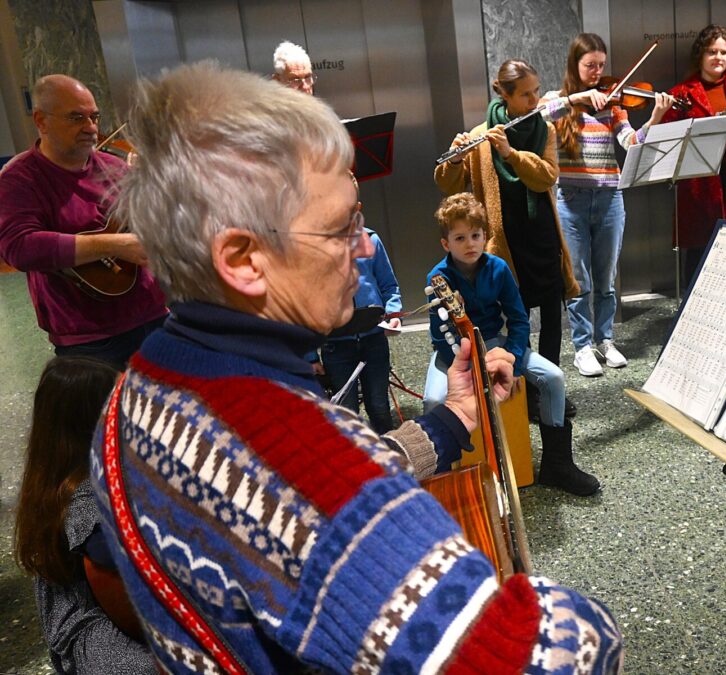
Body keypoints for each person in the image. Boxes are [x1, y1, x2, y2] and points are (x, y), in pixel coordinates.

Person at [90, 62, 622, 673]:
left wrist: (454, 416)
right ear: (243, 259)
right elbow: (541, 660)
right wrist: (595, 624)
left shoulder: (134, 391)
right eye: (344, 227)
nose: (366, 247)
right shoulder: (308, 477)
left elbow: (291, 505)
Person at [424, 193, 600, 497]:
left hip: (496, 343)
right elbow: (440, 336)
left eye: (476, 235)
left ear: (485, 236)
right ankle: (442, 480)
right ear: (445, 243)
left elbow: (518, 319)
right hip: (454, 351)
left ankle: (557, 464)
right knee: (433, 399)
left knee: (554, 378)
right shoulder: (437, 278)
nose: (470, 244)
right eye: (460, 238)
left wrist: (513, 362)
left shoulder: (499, 268)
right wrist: (467, 368)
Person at [435, 59, 580, 420]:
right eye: (526, 94)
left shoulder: (544, 129)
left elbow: (546, 177)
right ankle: (524, 386)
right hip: (507, 242)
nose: (534, 100)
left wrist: (511, 154)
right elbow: (449, 184)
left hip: (542, 237)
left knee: (552, 315)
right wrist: (456, 160)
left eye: (536, 91)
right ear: (506, 95)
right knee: (518, 314)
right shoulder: (482, 134)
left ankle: (548, 387)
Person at [0, 75, 167, 368]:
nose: (91, 127)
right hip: (89, 337)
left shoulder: (116, 167)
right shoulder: (19, 179)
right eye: (76, 118)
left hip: (154, 316)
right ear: (41, 120)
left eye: (94, 117)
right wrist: (114, 244)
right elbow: (20, 247)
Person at [540, 33, 675, 377]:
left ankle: (605, 339)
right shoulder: (558, 101)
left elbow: (631, 142)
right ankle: (582, 346)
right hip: (571, 200)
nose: (597, 72)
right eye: (590, 65)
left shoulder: (613, 103)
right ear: (575, 65)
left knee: (606, 278)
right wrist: (578, 98)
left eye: (601, 65)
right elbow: (539, 115)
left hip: (610, 198)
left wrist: (655, 118)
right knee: (578, 279)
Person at [14, 356, 156, 674]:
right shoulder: (84, 496)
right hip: (96, 635)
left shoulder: (52, 473)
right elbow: (106, 550)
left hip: (103, 616)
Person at [662, 25, 726, 283]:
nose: (718, 57)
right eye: (712, 52)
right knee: (699, 265)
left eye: (723, 52)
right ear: (700, 55)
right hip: (700, 188)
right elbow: (667, 139)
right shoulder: (681, 94)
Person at [318, 222, 402, 433]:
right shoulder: (311, 246)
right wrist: (310, 355)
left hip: (373, 340)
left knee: (379, 406)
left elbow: (389, 285)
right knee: (346, 412)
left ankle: (388, 449)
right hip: (336, 346)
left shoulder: (371, 239)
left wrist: (393, 313)